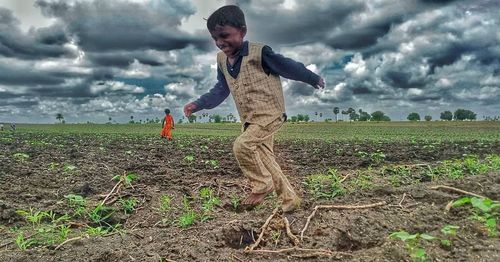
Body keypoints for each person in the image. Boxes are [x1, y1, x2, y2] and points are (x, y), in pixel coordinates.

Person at [183, 5, 325, 213]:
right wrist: (198, 104)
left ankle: (262, 185)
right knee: (266, 157)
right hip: (250, 119)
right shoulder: (221, 60)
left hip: (270, 114)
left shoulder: (260, 53)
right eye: (215, 38)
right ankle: (289, 199)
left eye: (224, 35)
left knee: (242, 146)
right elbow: (221, 89)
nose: (220, 43)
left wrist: (311, 78)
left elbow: (287, 66)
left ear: (242, 31)